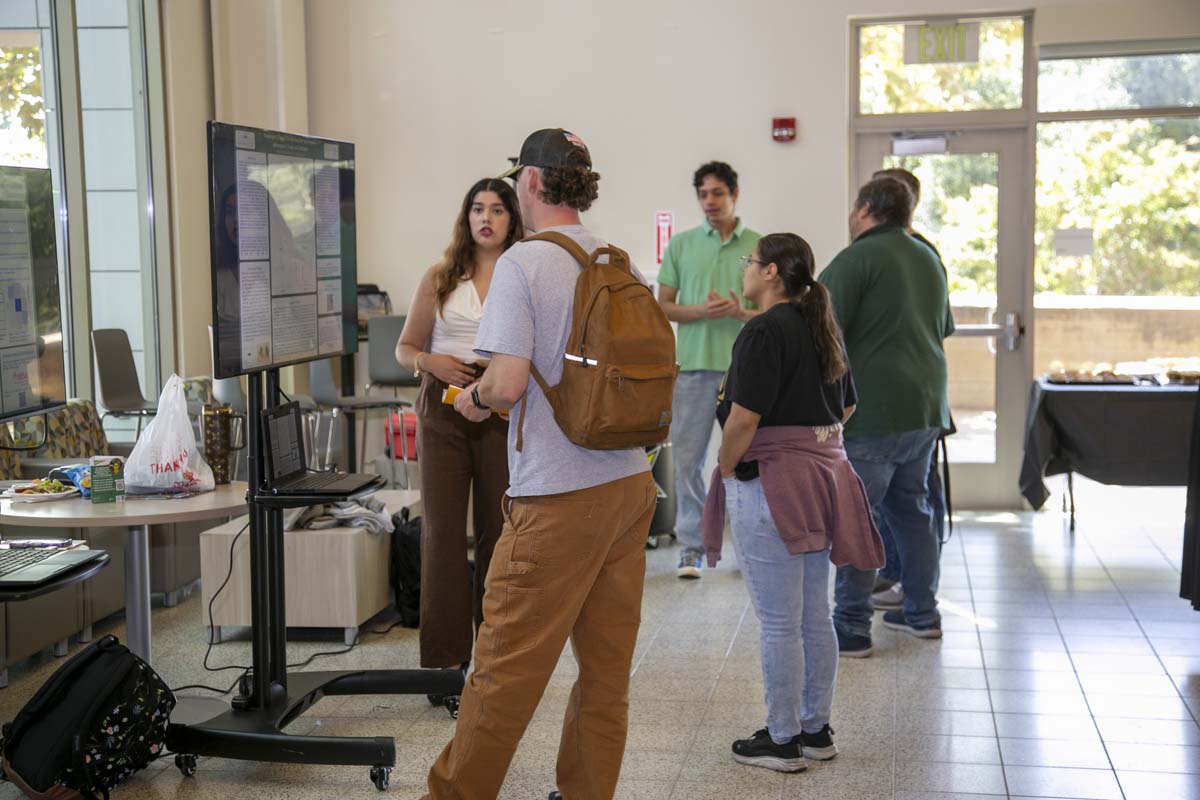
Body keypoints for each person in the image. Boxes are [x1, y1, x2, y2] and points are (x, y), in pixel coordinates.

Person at [422, 129, 657, 800]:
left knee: (502, 674)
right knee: (606, 675)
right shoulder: (617, 259)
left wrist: (472, 397)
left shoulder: (526, 264)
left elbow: (509, 382)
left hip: (557, 501)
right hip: (629, 485)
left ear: (528, 182)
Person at [700, 233, 882, 772]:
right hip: (823, 476)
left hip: (773, 481)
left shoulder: (763, 330)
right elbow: (846, 406)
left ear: (773, 272)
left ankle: (781, 740)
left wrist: (729, 467)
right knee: (812, 616)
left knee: (779, 621)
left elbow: (743, 418)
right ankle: (814, 728)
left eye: (750, 263)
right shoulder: (819, 323)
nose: (745, 270)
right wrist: (810, 441)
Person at [819, 176, 955, 657]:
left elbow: (820, 332)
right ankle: (922, 613)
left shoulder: (855, 259)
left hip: (873, 412)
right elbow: (945, 327)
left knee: (859, 517)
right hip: (924, 408)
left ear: (866, 209)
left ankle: (852, 626)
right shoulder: (927, 257)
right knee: (912, 510)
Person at [395, 178, 523, 688]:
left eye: (496, 209)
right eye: (477, 209)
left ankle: (492, 656)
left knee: (499, 531)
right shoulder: (440, 276)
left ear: (513, 219)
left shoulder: (522, 274)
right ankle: (445, 661)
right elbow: (405, 348)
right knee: (443, 533)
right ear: (466, 218)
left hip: (499, 404)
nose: (485, 218)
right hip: (443, 405)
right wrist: (432, 361)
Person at [657, 161, 761, 579]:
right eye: (703, 194)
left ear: (735, 194)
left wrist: (738, 311)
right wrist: (700, 310)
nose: (710, 202)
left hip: (748, 371)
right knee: (687, 462)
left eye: (717, 193)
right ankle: (692, 549)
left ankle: (751, 546)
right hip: (695, 370)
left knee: (750, 461)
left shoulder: (759, 245)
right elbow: (662, 306)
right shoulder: (681, 245)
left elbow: (772, 310)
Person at [867, 167, 953, 611]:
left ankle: (903, 591)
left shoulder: (906, 253)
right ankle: (903, 584)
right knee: (906, 503)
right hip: (920, 400)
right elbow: (945, 326)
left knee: (905, 501)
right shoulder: (923, 255)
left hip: (896, 405)